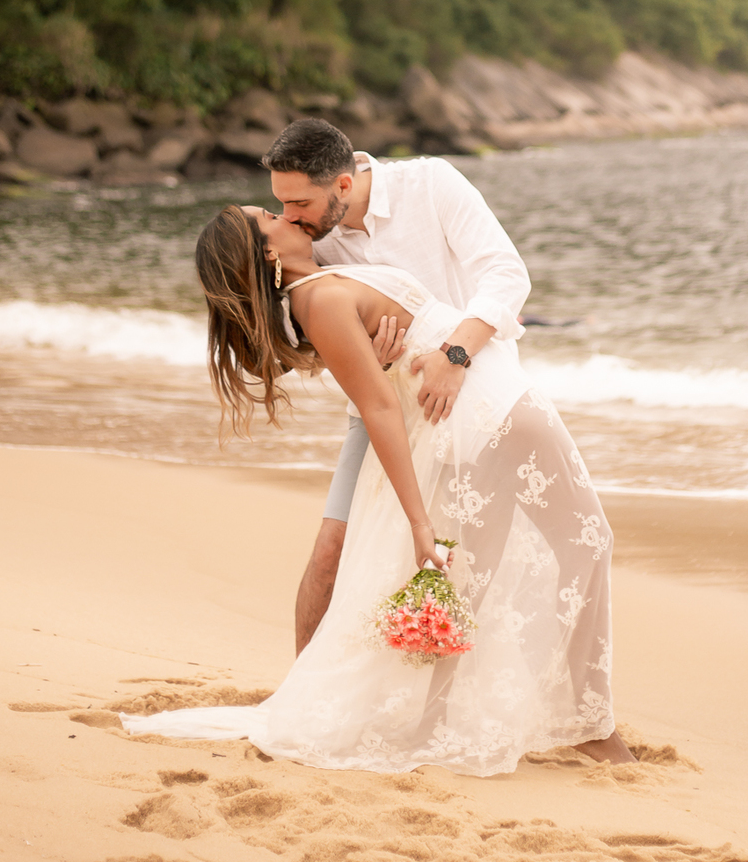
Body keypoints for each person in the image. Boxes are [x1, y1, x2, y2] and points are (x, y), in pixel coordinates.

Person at [121, 204, 633, 775]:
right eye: (269, 216)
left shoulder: (320, 286)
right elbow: (379, 408)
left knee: (474, 579)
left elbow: (383, 371)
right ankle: (592, 727)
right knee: (587, 543)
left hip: (477, 410)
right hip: (491, 409)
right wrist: (419, 522)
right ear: (268, 252)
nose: (285, 214)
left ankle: (440, 719)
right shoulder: (319, 300)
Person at [258, 119, 532, 653]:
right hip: (379, 409)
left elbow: (506, 274)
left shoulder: (430, 184)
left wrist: (454, 355)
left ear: (343, 184)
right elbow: (305, 342)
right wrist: (368, 359)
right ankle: (302, 689)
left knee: (468, 556)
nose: (289, 215)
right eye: (281, 204)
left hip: (471, 395)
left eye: (299, 203)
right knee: (333, 548)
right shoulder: (310, 240)